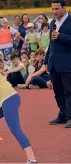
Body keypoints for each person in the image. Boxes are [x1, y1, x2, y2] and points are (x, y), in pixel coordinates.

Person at [44, 0, 71, 128]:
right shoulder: (53, 23)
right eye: (53, 9)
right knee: (57, 90)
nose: (54, 11)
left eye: (57, 9)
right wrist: (46, 60)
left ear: (64, 8)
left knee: (69, 91)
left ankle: (70, 116)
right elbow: (51, 44)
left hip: (67, 63)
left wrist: (61, 36)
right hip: (54, 63)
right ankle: (62, 114)